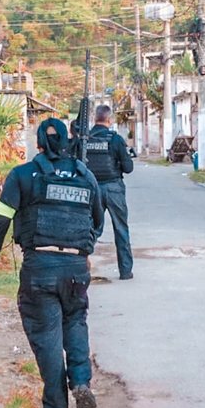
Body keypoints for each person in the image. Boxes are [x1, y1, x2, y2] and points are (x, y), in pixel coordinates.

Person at [0, 118, 104, 408]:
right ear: (67, 141)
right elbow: (98, 220)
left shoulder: (23, 175)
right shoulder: (85, 175)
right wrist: (80, 248)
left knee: (47, 338)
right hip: (76, 268)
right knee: (75, 321)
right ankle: (81, 379)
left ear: (37, 143)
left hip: (40, 268)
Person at [84, 104, 135, 280]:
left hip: (92, 189)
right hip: (114, 188)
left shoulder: (85, 139)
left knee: (91, 228)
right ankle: (126, 271)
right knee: (121, 229)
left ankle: (81, 265)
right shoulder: (115, 140)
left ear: (94, 119)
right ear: (109, 119)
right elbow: (128, 168)